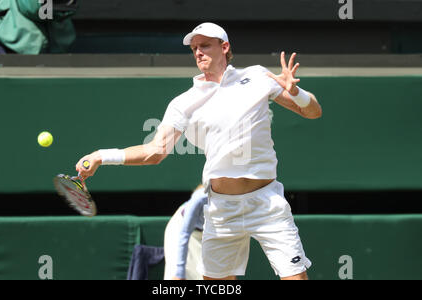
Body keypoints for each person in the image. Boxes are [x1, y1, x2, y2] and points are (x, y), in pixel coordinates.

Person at [76, 22, 322, 280]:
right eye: (194, 48)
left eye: (205, 45)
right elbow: (155, 151)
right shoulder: (183, 103)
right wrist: (102, 155)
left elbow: (313, 112)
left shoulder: (258, 77)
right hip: (221, 209)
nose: (198, 52)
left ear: (224, 47)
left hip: (266, 202)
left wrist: (297, 93)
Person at [164, 184, 207, 280]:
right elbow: (184, 234)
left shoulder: (239, 200)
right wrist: (179, 273)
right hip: (180, 229)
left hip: (206, 235)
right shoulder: (200, 199)